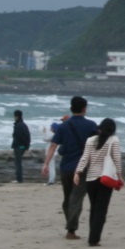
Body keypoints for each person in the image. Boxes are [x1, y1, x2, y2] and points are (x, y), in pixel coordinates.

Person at [43, 96, 98, 241]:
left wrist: (46, 164)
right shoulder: (92, 125)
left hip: (65, 167)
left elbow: (53, 146)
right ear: (84, 108)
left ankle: (70, 227)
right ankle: (71, 229)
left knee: (68, 198)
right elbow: (99, 145)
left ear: (71, 108)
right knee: (76, 198)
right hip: (82, 168)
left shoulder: (63, 126)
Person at [73, 117, 122, 247]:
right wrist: (120, 177)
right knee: (101, 210)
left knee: (94, 208)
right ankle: (93, 239)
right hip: (105, 178)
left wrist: (77, 172)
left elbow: (85, 158)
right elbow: (117, 160)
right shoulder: (114, 140)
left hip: (90, 180)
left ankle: (92, 235)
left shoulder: (90, 140)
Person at [11, 109, 31, 183]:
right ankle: (19, 179)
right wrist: (27, 146)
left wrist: (21, 145)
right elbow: (28, 136)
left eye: (14, 116)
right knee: (18, 163)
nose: (14, 117)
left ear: (17, 116)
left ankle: (19, 179)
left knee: (18, 163)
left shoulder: (18, 125)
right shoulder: (24, 125)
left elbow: (19, 136)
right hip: (22, 146)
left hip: (18, 146)